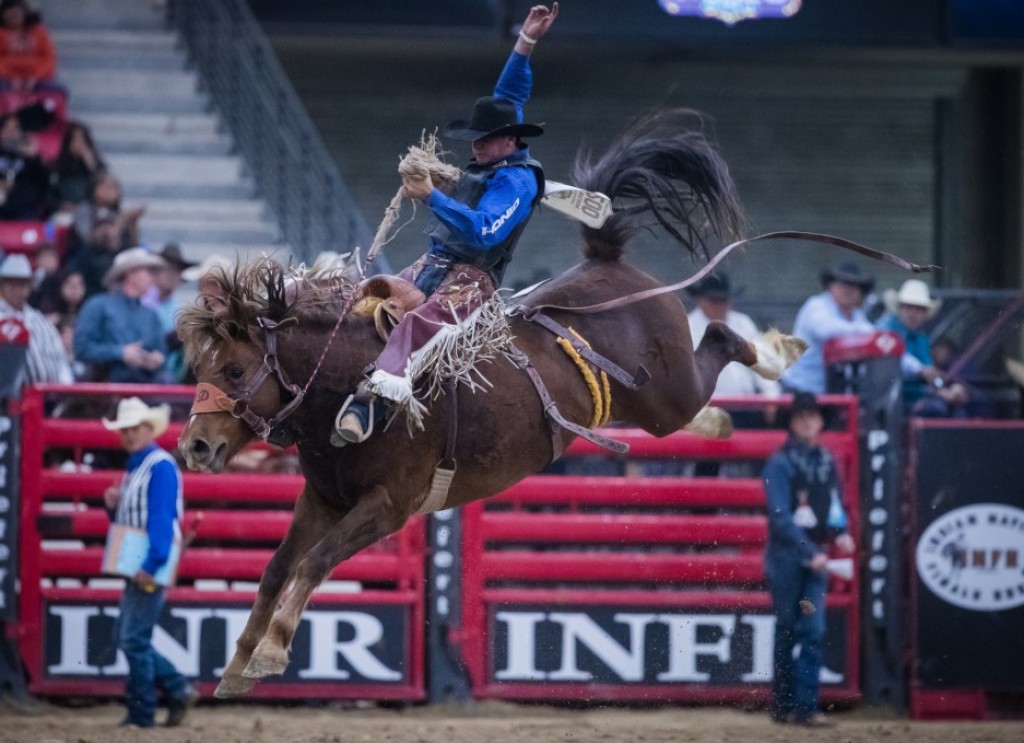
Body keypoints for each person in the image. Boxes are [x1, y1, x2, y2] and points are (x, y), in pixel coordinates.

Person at [332, 2, 559, 446]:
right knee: (368, 296)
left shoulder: (517, 183)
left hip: (473, 279)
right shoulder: (502, 149)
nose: (474, 144)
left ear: (510, 141)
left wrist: (432, 197)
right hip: (436, 260)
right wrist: (526, 40)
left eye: (483, 139)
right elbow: (509, 91)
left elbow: (486, 231)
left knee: (421, 326)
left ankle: (370, 405)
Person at [101, 397, 196, 728]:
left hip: (146, 560)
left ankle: (143, 712)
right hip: (141, 559)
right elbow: (143, 516)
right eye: (125, 430)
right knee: (131, 636)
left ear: (147, 429)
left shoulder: (157, 465)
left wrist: (153, 562)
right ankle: (175, 687)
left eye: (133, 429)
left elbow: (159, 517)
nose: (128, 435)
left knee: (131, 638)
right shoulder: (144, 465)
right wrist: (113, 507)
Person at [762, 392, 855, 727]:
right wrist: (813, 550)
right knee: (790, 629)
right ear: (793, 422)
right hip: (789, 560)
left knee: (810, 629)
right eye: (801, 416)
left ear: (818, 422)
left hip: (808, 559)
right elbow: (779, 517)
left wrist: (841, 531)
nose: (806, 421)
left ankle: (802, 706)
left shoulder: (825, 461)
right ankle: (788, 705)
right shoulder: (780, 463)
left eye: (811, 416)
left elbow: (834, 506)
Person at [74, 247, 167, 383]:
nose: (152, 278)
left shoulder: (151, 315)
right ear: (131, 273)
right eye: (149, 272)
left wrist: (157, 359)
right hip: (105, 390)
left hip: (146, 389)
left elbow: (162, 351)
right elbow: (82, 349)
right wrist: (119, 353)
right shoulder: (98, 306)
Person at [781, 261, 875, 395]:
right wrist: (864, 331)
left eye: (854, 286)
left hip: (831, 393)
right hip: (800, 390)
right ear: (830, 286)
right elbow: (826, 330)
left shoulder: (857, 316)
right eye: (843, 283)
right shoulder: (816, 305)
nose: (848, 289)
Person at [687, 272, 782, 400]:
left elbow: (761, 361)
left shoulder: (744, 323)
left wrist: (772, 397)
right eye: (713, 300)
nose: (719, 305)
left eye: (723, 300)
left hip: (745, 404)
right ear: (700, 300)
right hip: (706, 406)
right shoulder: (687, 326)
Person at [0, 252, 71, 382]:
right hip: (10, 397)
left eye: (23, 284)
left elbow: (61, 362)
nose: (19, 290)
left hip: (52, 395)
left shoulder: (40, 320)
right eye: (13, 284)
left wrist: (66, 388)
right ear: (2, 286)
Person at [876, 279, 942, 409]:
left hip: (916, 398)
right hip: (888, 403)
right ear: (900, 309)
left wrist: (943, 386)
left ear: (925, 314)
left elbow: (928, 374)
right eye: (908, 307)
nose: (913, 313)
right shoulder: (886, 330)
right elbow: (890, 373)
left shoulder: (922, 340)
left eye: (919, 309)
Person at [143, 243, 196, 382]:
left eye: (177, 271)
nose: (172, 275)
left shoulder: (180, 310)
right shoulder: (141, 303)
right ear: (155, 273)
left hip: (172, 379)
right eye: (167, 269)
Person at [70, 173, 143, 256]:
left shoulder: (121, 212)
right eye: (105, 186)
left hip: (119, 257)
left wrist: (133, 223)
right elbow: (88, 239)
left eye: (114, 187)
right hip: (89, 258)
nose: (109, 191)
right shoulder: (84, 210)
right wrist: (119, 222)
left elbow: (133, 248)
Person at [0, 111, 52, 220]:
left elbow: (46, 182)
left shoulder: (30, 157)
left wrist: (34, 157)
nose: (11, 133)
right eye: (7, 129)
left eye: (15, 129)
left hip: (24, 208)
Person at [51, 121, 106, 215]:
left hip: (90, 211)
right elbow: (49, 192)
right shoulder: (57, 166)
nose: (79, 145)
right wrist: (60, 205)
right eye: (75, 140)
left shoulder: (96, 165)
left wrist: (91, 163)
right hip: (64, 211)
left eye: (82, 141)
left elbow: (103, 186)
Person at [0, 0, 56, 91]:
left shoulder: (39, 32)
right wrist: (11, 77)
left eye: (16, 14)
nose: (12, 17)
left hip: (37, 78)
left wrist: (35, 77)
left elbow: (49, 58)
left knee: (58, 90)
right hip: (5, 79)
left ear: (25, 13)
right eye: (8, 14)